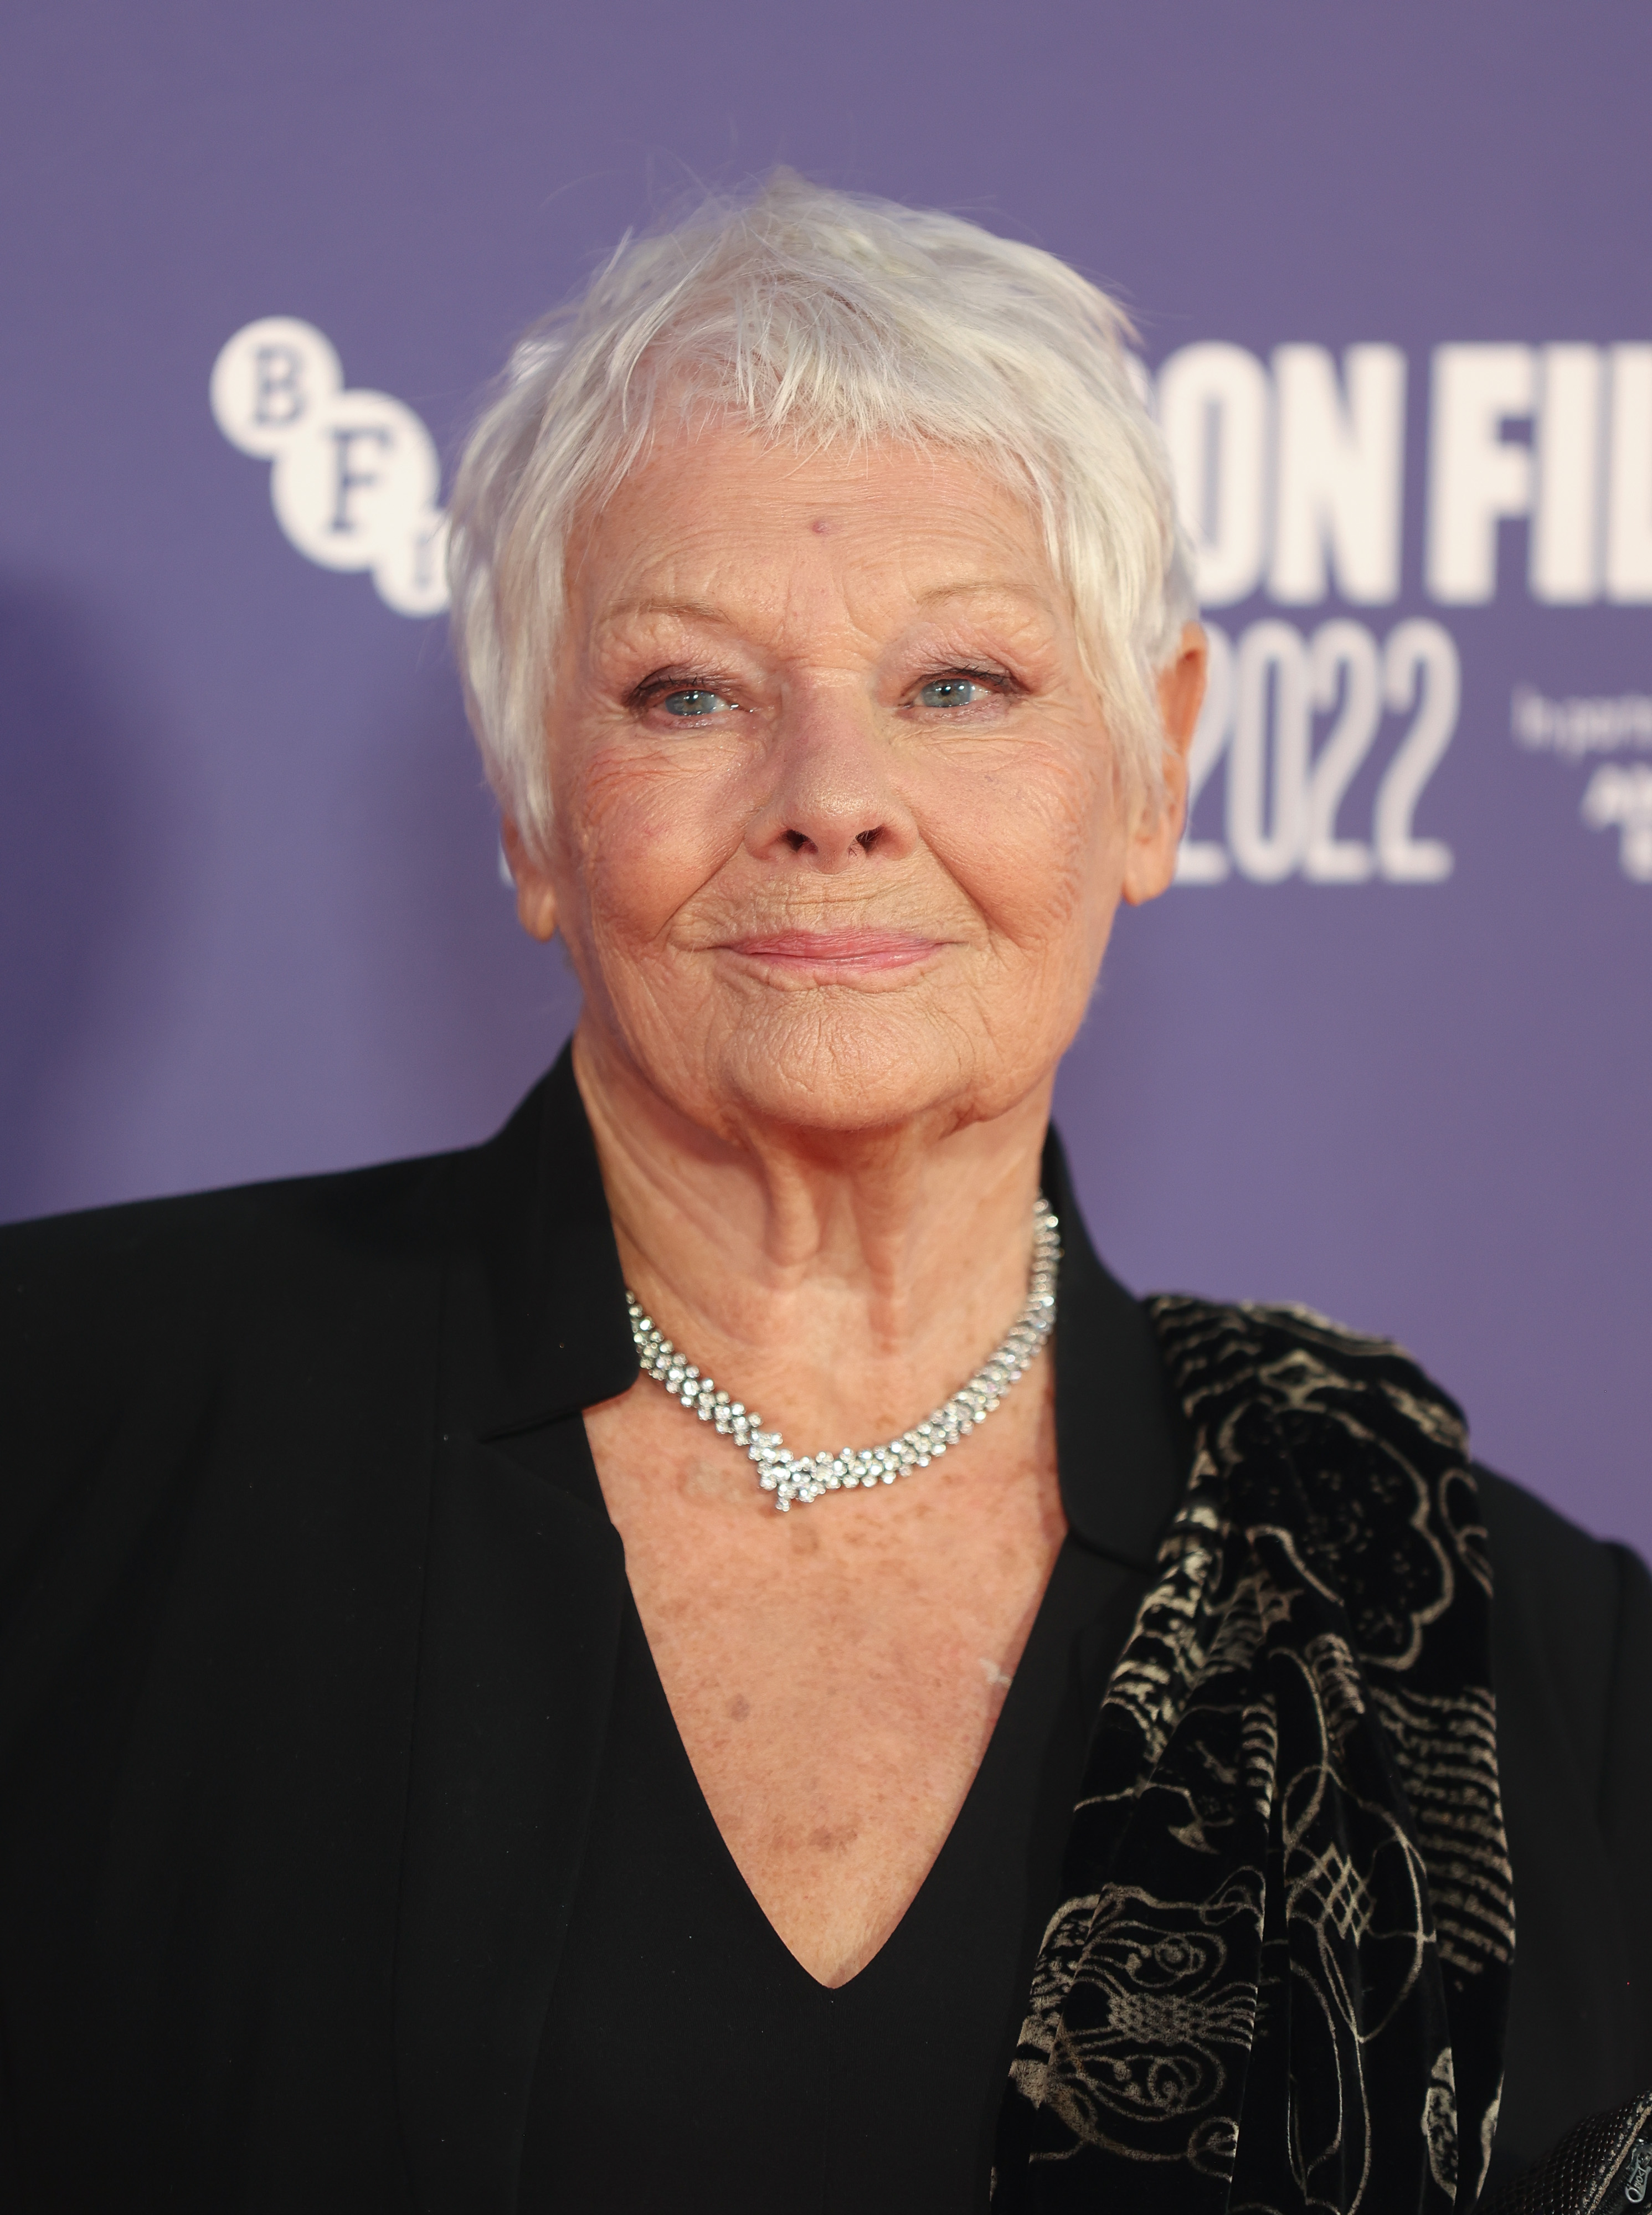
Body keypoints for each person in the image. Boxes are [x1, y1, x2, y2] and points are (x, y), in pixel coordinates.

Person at [1, 173, 1648, 2214]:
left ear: (1157, 771)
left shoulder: (1503, 1653)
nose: (832, 795)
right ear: (531, 812)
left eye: (963, 684)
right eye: (688, 692)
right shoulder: (62, 1441)